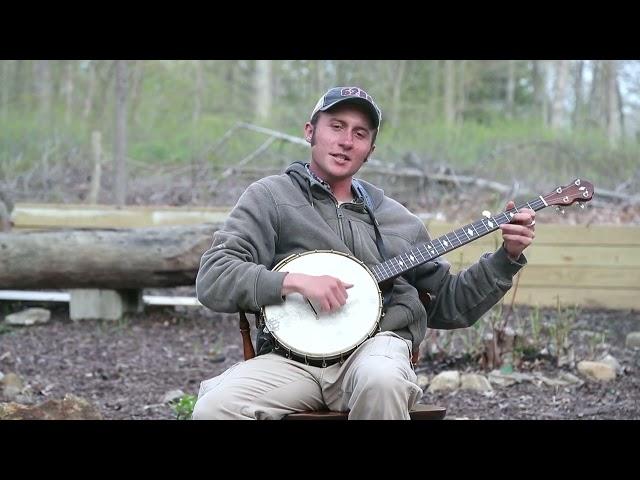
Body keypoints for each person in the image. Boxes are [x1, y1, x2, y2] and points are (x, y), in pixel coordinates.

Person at [192, 86, 536, 420]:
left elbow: (451, 304)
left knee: (381, 381)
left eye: (360, 133)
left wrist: (506, 257)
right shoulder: (270, 198)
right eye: (337, 126)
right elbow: (214, 276)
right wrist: (293, 282)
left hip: (374, 352)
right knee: (215, 407)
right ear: (311, 131)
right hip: (289, 363)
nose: (346, 141)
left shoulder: (398, 219)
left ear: (370, 149)